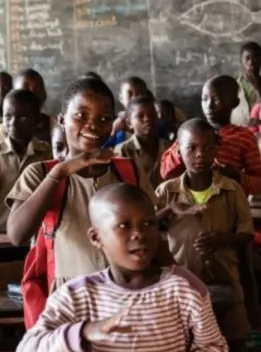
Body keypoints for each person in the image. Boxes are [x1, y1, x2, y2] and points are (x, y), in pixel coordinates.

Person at [16, 183, 228, 352]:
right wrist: (82, 333)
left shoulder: (183, 287)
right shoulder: (78, 295)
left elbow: (214, 348)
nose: (139, 234)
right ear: (96, 238)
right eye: (124, 226)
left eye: (148, 223)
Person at [156, 118, 261, 352]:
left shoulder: (231, 190)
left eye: (206, 148)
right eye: (191, 148)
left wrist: (222, 239)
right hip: (181, 292)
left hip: (227, 286)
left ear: (216, 151)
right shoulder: (166, 192)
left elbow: (247, 234)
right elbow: (148, 229)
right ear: (179, 151)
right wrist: (165, 214)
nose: (199, 155)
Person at [5, 77, 161, 288]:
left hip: (127, 292)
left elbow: (152, 232)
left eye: (104, 118)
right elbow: (17, 235)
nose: (93, 125)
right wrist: (60, 171)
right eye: (81, 116)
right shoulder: (41, 173)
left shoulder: (128, 170)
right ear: (61, 120)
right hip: (69, 296)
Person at [160, 75, 261, 197]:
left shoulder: (244, 137)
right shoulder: (190, 133)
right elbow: (165, 172)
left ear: (234, 102)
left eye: (216, 100)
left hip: (228, 208)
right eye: (204, 99)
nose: (209, 106)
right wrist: (185, 148)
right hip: (189, 205)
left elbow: (259, 186)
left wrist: (237, 176)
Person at [0, 90, 51, 232]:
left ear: (37, 120)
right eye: (8, 116)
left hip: (32, 237)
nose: (13, 123)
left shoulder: (46, 153)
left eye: (22, 117)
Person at [114, 95, 169, 187]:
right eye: (140, 116)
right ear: (129, 123)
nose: (147, 119)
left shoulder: (168, 147)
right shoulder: (123, 150)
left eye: (152, 114)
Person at [232, 41, 261, 126]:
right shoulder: (233, 85)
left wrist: (258, 86)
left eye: (255, 58)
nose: (251, 62)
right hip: (238, 132)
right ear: (241, 61)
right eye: (247, 58)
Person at [13, 69, 54, 143]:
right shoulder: (3, 132)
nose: (32, 94)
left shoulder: (56, 127)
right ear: (12, 96)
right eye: (25, 90)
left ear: (44, 94)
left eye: (37, 89)